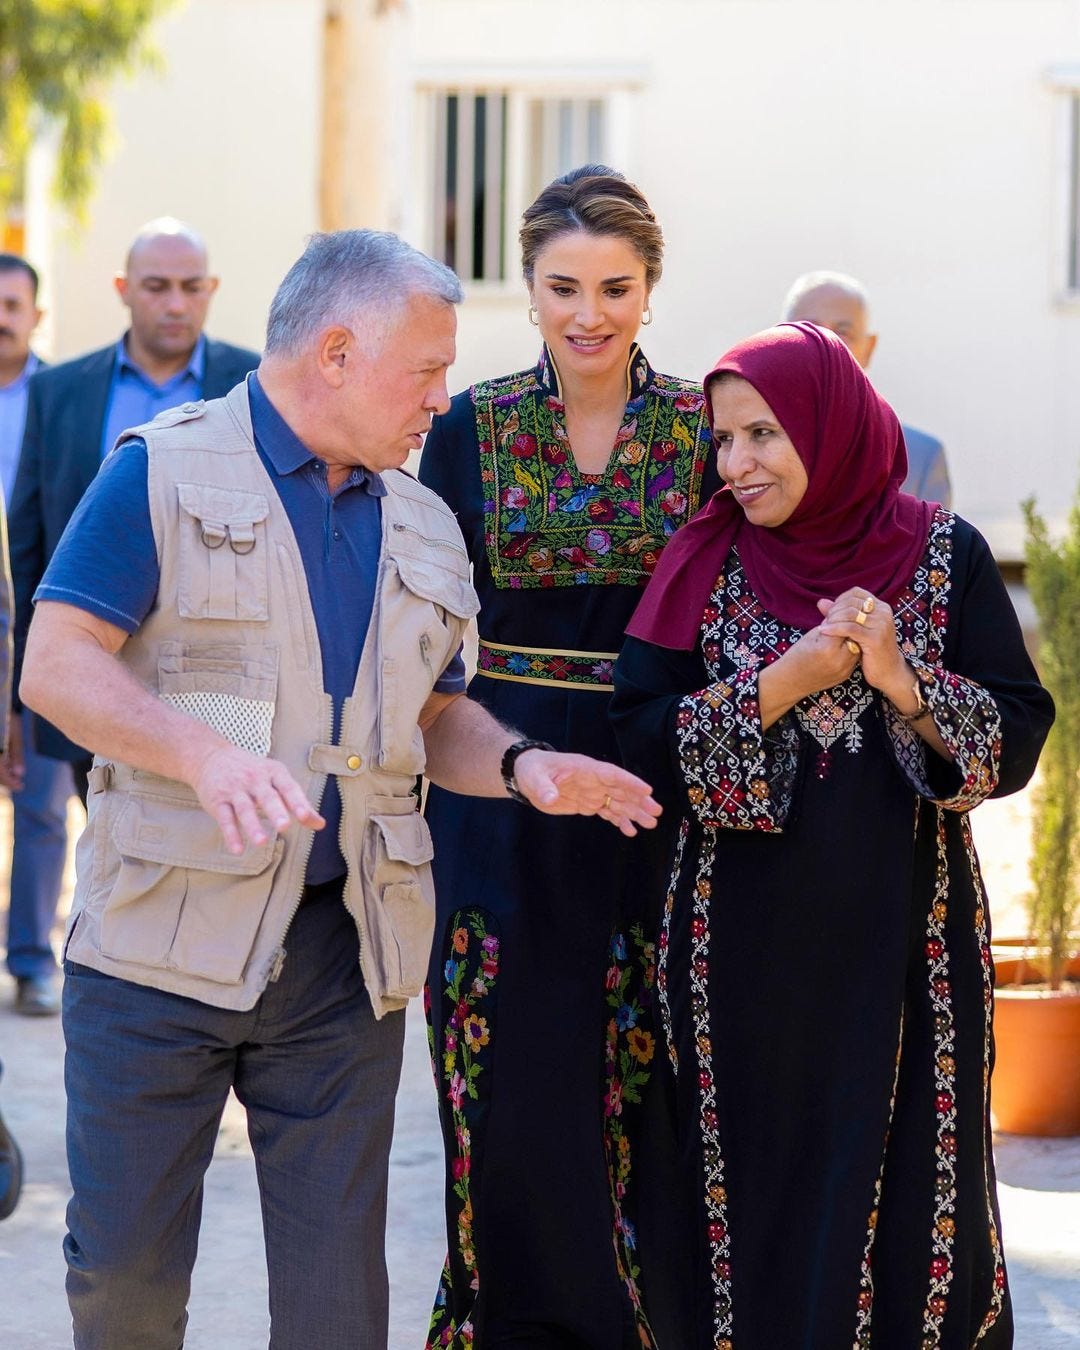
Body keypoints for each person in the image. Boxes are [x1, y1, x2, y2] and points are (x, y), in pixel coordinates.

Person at [19, 228, 661, 1350]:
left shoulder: (418, 517)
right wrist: (206, 755)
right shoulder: (160, 471)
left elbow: (430, 712)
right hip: (156, 951)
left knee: (336, 1309)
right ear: (335, 352)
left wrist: (521, 766)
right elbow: (57, 663)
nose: (441, 397)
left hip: (340, 958)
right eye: (425, 369)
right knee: (123, 1282)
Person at [611, 322, 1054, 1350]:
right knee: (747, 1183)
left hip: (910, 947)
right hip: (733, 955)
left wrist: (902, 678)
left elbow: (1018, 738)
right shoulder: (704, 558)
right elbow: (639, 739)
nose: (738, 464)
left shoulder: (946, 554)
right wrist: (785, 682)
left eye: (764, 434)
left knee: (910, 1177)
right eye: (722, 440)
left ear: (830, 423)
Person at [419, 166, 717, 1348]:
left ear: (650, 290)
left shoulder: (704, 425)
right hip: (501, 780)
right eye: (562, 287)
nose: (588, 313)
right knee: (505, 1069)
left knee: (657, 1068)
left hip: (657, 780)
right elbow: (426, 622)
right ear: (528, 288)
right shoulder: (465, 426)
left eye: (615, 287)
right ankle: (502, 1319)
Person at [8, 217, 260, 825]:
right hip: (92, 670)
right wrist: (19, 696)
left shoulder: (255, 384)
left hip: (220, 676)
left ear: (212, 288)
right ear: (122, 287)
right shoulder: (60, 390)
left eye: (191, 286)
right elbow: (29, 547)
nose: (175, 303)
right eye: (156, 286)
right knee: (100, 839)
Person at [0, 253, 71, 1015]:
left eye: (13, 304)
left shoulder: (55, 398)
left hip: (39, 619)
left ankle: (29, 959)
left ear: (35, 314)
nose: (2, 317)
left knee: (43, 802)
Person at [782, 269, 953, 506]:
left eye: (843, 332)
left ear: (869, 348)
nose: (829, 344)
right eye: (811, 329)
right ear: (779, 340)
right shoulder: (741, 447)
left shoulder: (920, 458)